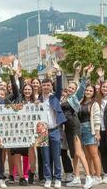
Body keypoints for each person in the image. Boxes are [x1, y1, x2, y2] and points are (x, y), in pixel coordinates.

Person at [61, 63, 96, 189]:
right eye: (69, 87)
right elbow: (75, 81)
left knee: (79, 153)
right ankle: (76, 178)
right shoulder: (63, 98)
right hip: (67, 129)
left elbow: (80, 85)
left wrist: (86, 73)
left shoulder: (75, 98)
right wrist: (76, 71)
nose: (70, 89)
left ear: (75, 90)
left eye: (72, 88)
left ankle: (88, 177)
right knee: (74, 155)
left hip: (75, 126)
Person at [40, 60, 67, 189]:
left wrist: (58, 72)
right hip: (43, 132)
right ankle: (47, 178)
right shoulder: (38, 100)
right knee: (45, 157)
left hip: (55, 130)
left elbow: (60, 86)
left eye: (48, 85)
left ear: (51, 86)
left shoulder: (55, 97)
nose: (46, 87)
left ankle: (57, 178)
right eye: (44, 85)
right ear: (41, 87)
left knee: (56, 156)